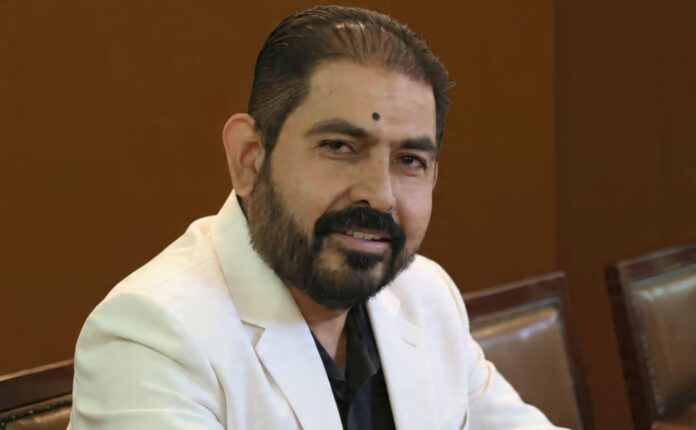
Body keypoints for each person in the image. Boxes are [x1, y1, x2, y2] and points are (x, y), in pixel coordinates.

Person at [69, 6, 566, 430]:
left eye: (410, 160)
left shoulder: (426, 296)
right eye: (340, 147)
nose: (380, 195)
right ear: (249, 158)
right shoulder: (152, 337)